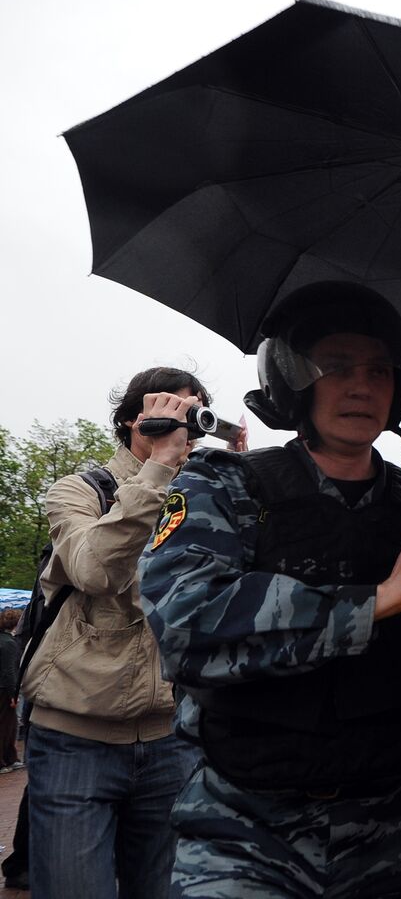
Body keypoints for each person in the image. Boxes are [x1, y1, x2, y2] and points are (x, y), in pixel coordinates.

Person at [139, 283, 401, 898]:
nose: (361, 386)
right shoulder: (226, 486)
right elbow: (185, 622)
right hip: (245, 830)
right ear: (292, 380)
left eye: (379, 370)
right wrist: (380, 598)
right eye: (336, 366)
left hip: (394, 826)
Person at [22, 367, 213, 899]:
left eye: (191, 414)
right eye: (167, 410)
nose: (182, 427)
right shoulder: (76, 491)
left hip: (172, 738)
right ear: (132, 418)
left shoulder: (202, 495)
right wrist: (155, 471)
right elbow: (95, 571)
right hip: (74, 739)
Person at [0, 609, 20, 772]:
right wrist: (13, 693)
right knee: (6, 726)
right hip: (4, 691)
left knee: (9, 725)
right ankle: (4, 760)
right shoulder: (9, 643)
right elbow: (9, 671)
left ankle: (10, 757)